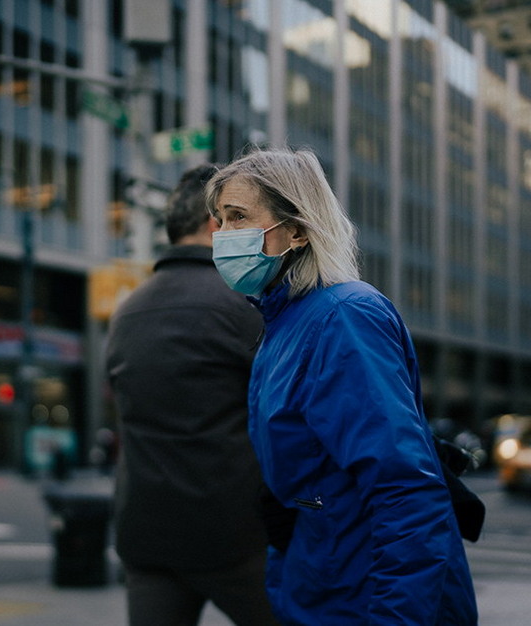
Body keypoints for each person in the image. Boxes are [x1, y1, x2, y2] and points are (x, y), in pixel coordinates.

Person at [206, 147, 478, 625]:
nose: (222, 235)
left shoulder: (343, 317)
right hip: (324, 587)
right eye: (220, 219)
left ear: (297, 230)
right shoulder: (284, 323)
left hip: (366, 598)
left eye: (238, 217)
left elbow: (405, 489)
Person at [105, 164, 279, 626]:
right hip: (233, 536)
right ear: (213, 224)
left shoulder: (126, 313)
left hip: (145, 533)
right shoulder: (243, 304)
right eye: (236, 217)